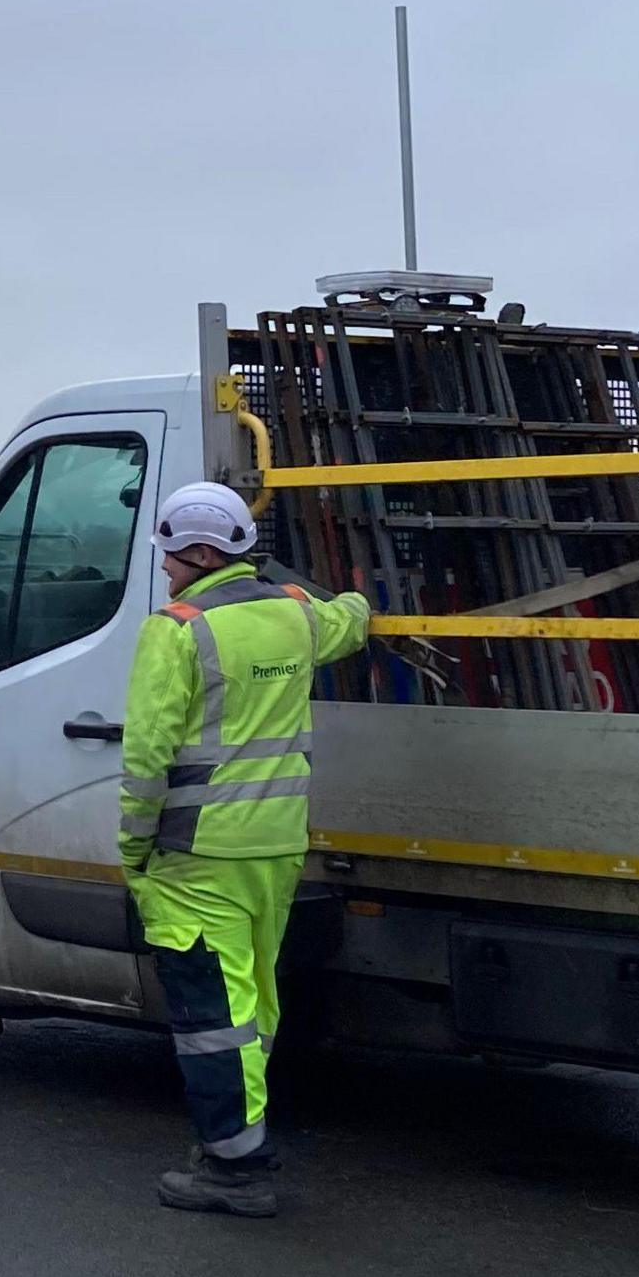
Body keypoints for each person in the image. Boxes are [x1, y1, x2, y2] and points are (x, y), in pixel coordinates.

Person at [120, 480, 369, 1218]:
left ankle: (234, 1167)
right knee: (253, 1001)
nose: (164, 568)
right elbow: (349, 624)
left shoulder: (176, 631)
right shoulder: (295, 614)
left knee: (211, 1015)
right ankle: (238, 1138)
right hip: (276, 844)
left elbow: (145, 761)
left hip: (198, 854)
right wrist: (358, 598)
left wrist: (133, 852)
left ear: (200, 551)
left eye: (169, 555)